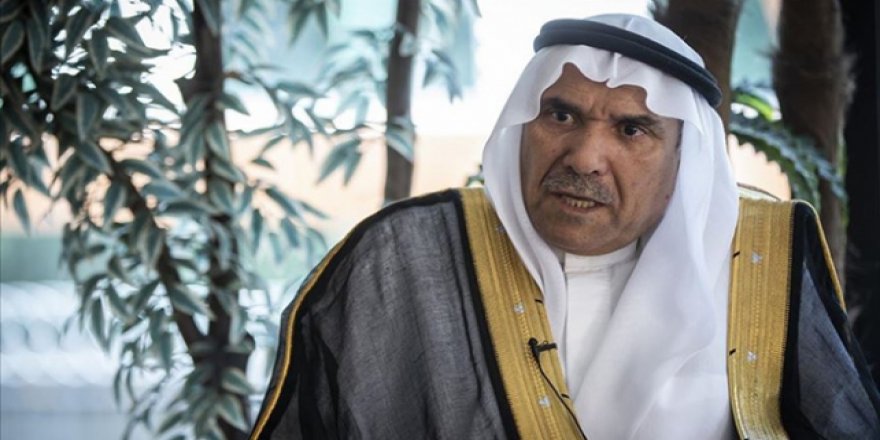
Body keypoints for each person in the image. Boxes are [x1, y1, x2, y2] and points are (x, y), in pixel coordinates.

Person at [250, 14, 880, 440]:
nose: (584, 158)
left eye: (631, 129)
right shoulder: (407, 258)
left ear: (684, 162)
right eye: (561, 116)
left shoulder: (759, 262)